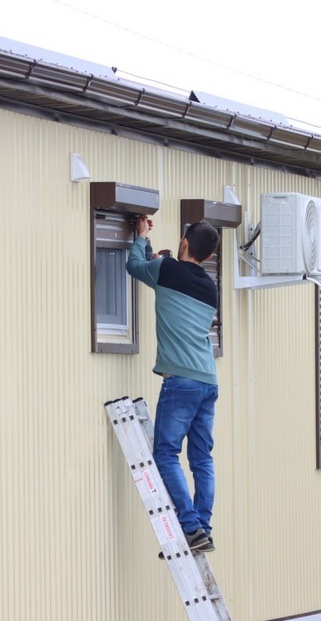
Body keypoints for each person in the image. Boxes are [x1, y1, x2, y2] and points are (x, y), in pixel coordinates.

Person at [126, 215, 221, 555]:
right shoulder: (210, 287)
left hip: (180, 381)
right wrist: (158, 258)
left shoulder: (166, 270)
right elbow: (163, 275)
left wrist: (140, 236)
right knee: (201, 459)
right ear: (209, 256)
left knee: (165, 454)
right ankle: (204, 527)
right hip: (208, 380)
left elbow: (135, 266)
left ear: (184, 243)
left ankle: (191, 527)